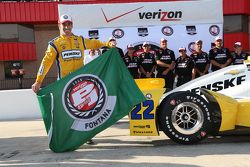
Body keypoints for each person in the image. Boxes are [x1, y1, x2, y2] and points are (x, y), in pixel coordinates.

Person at [32, 14, 108, 144]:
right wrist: (38, 81)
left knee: (84, 109)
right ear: (59, 25)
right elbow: (46, 63)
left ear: (72, 25)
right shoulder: (54, 44)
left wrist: (108, 44)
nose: (67, 27)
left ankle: (85, 135)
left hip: (79, 83)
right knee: (64, 111)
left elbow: (95, 42)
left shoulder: (80, 40)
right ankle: (65, 136)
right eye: (64, 24)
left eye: (69, 24)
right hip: (64, 84)